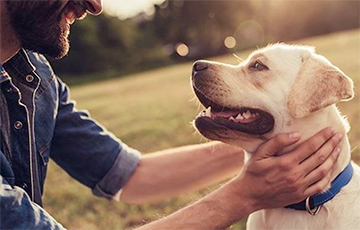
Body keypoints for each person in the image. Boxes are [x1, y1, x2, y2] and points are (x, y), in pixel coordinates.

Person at [0, 1, 343, 229]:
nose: (95, 4)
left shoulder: (33, 76)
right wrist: (245, 195)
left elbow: (130, 175)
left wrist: (276, 143)